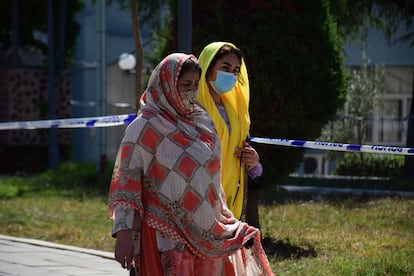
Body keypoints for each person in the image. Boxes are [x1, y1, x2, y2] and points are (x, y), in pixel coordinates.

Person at [108, 53, 273, 275]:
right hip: (162, 236)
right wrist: (124, 234)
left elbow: (212, 182)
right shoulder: (144, 128)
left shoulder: (202, 123)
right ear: (166, 84)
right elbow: (126, 186)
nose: (191, 91)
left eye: (196, 84)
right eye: (185, 84)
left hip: (205, 231)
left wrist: (224, 221)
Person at [197, 42, 263, 220]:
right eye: (225, 68)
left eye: (235, 71)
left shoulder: (234, 111)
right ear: (208, 68)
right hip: (198, 196)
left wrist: (254, 163)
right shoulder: (191, 107)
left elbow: (242, 150)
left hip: (230, 198)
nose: (231, 75)